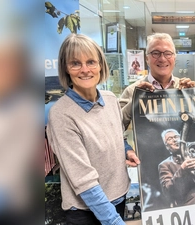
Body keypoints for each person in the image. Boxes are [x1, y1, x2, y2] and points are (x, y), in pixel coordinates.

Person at [46, 34, 140, 225]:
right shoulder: (61, 114)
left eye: (91, 62)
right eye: (75, 63)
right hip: (86, 211)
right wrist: (113, 221)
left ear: (100, 65)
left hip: (118, 197)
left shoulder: (110, 99)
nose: (85, 70)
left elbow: (116, 135)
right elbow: (83, 179)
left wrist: (126, 150)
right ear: (66, 68)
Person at [119, 33, 195, 130]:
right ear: (147, 59)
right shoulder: (132, 91)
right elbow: (116, 128)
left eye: (168, 53)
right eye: (155, 53)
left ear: (174, 58)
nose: (162, 59)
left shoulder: (184, 88)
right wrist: (135, 101)